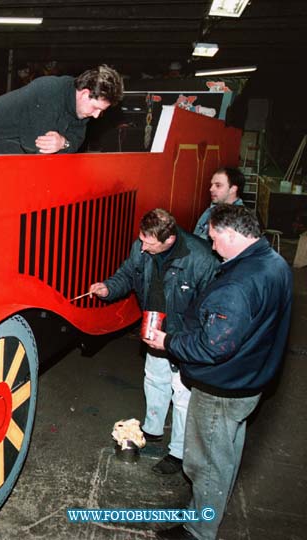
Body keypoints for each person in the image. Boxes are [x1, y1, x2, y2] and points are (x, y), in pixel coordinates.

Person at [145, 204, 292, 540]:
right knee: (226, 453)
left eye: (213, 238)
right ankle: (208, 507)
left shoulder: (237, 285)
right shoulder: (275, 264)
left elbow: (213, 347)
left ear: (232, 233)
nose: (211, 246)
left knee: (205, 463)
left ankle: (199, 530)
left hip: (223, 387)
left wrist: (169, 341)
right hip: (252, 380)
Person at [89, 209, 218, 474]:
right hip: (153, 325)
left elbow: (209, 310)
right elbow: (127, 274)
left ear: (169, 240)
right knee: (154, 379)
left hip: (183, 336)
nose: (142, 246)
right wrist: (108, 287)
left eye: (149, 242)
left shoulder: (202, 259)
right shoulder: (143, 246)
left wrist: (180, 341)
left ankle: (179, 454)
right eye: (141, 239)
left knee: (183, 396)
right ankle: (152, 430)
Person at [0, 64, 123, 155]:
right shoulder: (49, 92)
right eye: (96, 108)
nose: (96, 115)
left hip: (6, 148)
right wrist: (61, 145)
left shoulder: (82, 109)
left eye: (101, 111)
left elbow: (76, 139)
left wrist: (63, 142)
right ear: (85, 93)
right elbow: (35, 146)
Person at [193, 167, 245, 240]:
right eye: (212, 185)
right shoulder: (213, 208)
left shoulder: (239, 219)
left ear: (233, 189)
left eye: (218, 185)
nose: (211, 189)